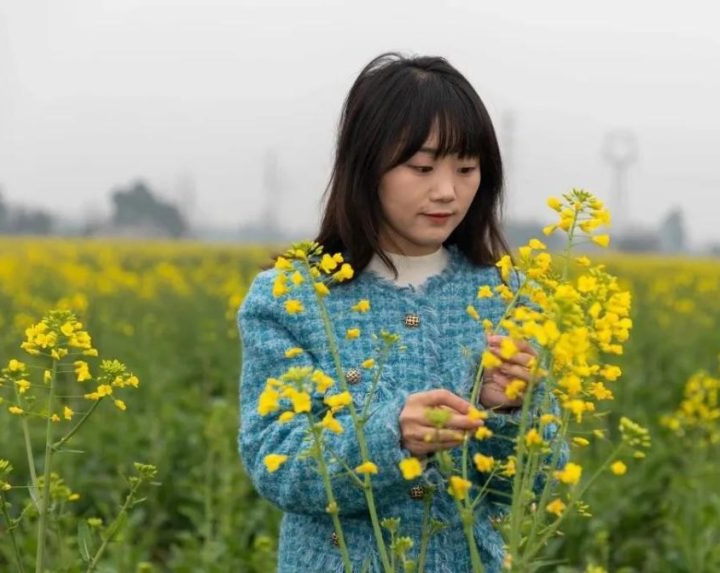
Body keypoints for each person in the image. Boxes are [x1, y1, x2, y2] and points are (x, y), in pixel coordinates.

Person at [237, 52, 557, 573]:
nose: (447, 192)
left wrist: (507, 414)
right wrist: (392, 436)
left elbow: (535, 486)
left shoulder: (509, 296)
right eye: (423, 167)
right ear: (367, 167)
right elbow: (278, 466)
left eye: (467, 168)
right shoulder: (290, 298)